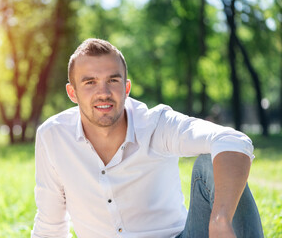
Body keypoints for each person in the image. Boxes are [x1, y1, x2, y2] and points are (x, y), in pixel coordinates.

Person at [31, 38, 264, 238]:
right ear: (72, 92)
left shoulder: (157, 124)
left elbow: (232, 140)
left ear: (126, 87)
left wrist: (220, 220)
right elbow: (50, 226)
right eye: (90, 82)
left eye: (113, 80)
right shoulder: (53, 136)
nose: (103, 92)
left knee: (211, 164)